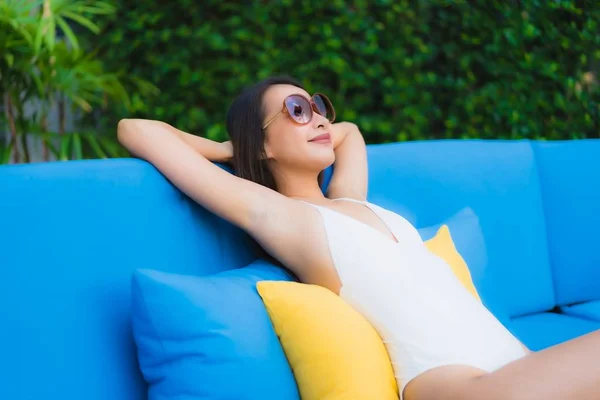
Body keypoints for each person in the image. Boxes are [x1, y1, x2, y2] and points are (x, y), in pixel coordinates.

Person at [118, 76, 600, 400]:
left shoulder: (351, 200)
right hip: (461, 384)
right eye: (296, 110)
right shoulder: (285, 218)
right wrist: (232, 148)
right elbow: (136, 130)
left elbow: (349, 133)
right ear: (264, 145)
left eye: (319, 106)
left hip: (518, 366)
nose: (321, 119)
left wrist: (299, 125)